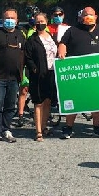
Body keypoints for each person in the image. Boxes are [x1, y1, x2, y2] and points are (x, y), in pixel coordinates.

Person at [57, 6, 99, 139]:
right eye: (86, 15)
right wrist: (61, 51)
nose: (89, 17)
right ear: (81, 18)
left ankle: (97, 126)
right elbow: (62, 43)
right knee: (74, 100)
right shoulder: (72, 30)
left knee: (98, 100)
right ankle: (68, 127)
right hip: (77, 74)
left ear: (96, 17)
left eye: (91, 14)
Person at [0, 8, 25, 145]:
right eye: (7, 18)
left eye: (12, 18)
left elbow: (23, 54)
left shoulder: (20, 35)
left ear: (17, 20)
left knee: (10, 106)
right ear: (2, 20)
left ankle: (6, 130)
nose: (10, 20)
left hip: (14, 77)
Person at [24, 12, 58, 141]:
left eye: (42, 21)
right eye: (37, 22)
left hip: (51, 73)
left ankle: (44, 127)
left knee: (48, 101)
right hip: (38, 75)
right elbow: (28, 58)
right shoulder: (31, 40)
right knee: (38, 103)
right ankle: (38, 131)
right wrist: (34, 69)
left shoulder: (51, 37)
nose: (40, 24)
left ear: (46, 22)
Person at [14, 5, 39, 127]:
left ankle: (38, 115)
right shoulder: (23, 30)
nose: (32, 17)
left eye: (34, 15)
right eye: (30, 15)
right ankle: (20, 115)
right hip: (26, 64)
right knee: (24, 90)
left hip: (40, 63)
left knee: (37, 91)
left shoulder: (44, 29)